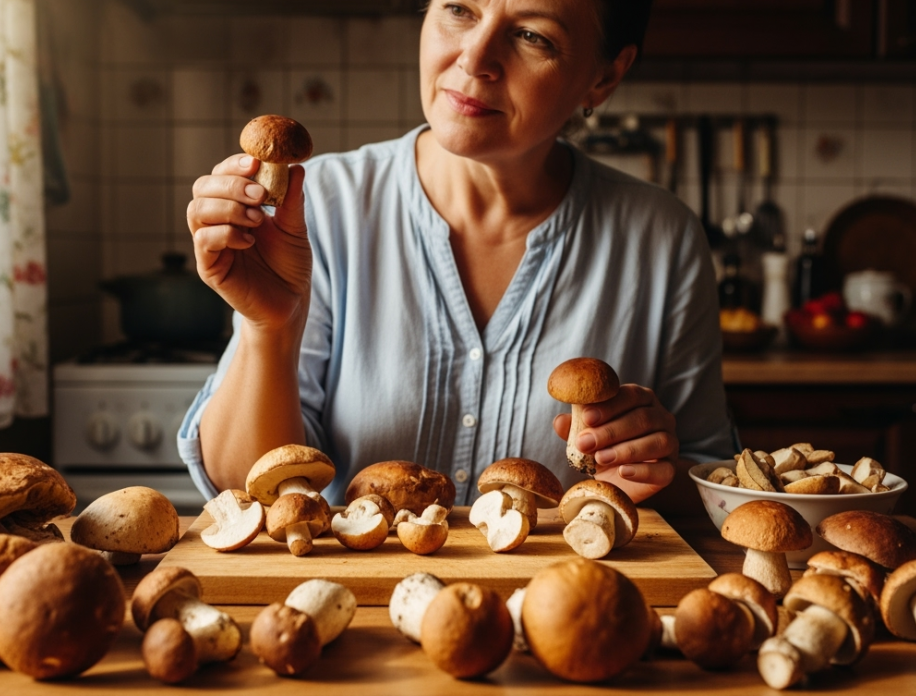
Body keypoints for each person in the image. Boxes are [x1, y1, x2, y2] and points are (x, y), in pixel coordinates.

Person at [179, 0, 733, 514]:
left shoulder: (664, 238)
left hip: (552, 607)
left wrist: (653, 466)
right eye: (459, 9)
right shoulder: (315, 206)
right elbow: (242, 488)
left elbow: (713, 483)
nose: (473, 57)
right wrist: (268, 328)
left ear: (604, 76)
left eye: (531, 36)